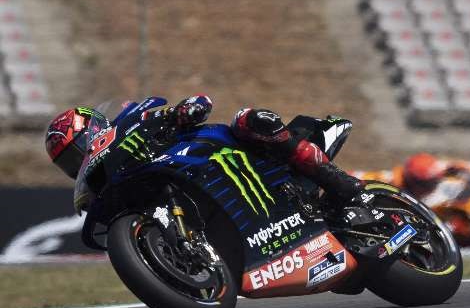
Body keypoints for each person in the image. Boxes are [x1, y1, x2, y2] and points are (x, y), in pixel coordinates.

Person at [45, 95, 364, 203]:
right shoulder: (118, 181)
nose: (78, 164)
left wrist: (183, 111)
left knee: (248, 119)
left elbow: (200, 103)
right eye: (69, 164)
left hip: (226, 155)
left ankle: (335, 179)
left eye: (78, 151)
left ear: (95, 131)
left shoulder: (137, 130)